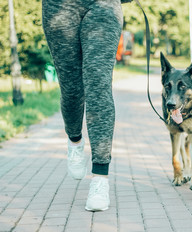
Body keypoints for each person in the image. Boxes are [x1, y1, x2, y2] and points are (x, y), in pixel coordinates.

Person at [42, 0, 123, 211]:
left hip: (103, 5)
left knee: (98, 84)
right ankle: (75, 139)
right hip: (59, 6)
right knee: (71, 88)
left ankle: (100, 178)